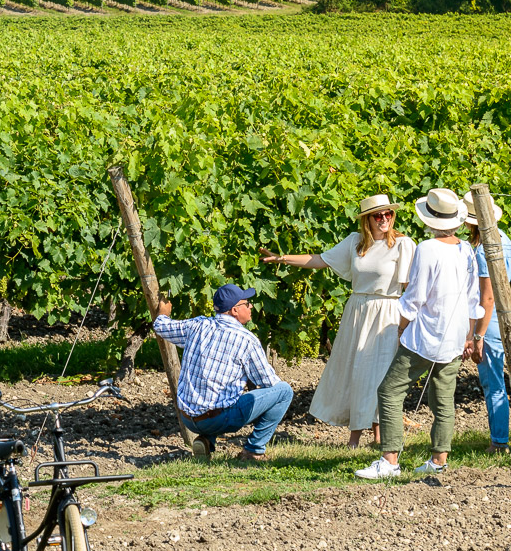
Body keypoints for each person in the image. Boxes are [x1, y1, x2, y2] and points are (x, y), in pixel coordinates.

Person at [262, 194, 415, 448]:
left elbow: (409, 288)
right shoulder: (356, 243)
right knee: (356, 371)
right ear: (367, 220)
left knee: (379, 374)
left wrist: (404, 326)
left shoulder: (402, 244)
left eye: (388, 214)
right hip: (357, 311)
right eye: (378, 215)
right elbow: (320, 259)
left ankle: (379, 437)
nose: (384, 219)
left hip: (387, 312)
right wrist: (282, 258)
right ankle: (355, 439)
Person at [356, 188, 488, 479]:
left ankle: (389, 461)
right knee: (443, 399)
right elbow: (471, 297)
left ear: (430, 219)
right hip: (454, 337)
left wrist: (401, 329)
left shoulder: (427, 249)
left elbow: (414, 298)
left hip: (425, 336)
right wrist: (468, 336)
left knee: (389, 392)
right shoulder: (465, 249)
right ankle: (439, 460)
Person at [152, 284, 294, 462]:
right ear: (235, 310)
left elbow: (161, 326)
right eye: (247, 303)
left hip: (187, 418)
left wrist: (163, 312)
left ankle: (206, 440)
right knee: (284, 392)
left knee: (218, 397)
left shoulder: (197, 325)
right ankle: (254, 450)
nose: (251, 306)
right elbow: (269, 383)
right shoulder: (246, 340)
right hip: (218, 419)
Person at [464, 192, 511, 454]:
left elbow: (488, 297)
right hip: (507, 316)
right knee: (499, 380)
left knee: (493, 382)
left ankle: (499, 442)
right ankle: (500, 438)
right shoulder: (503, 238)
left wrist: (477, 335)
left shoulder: (485, 249)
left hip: (490, 323)